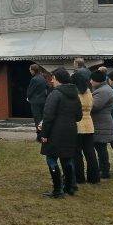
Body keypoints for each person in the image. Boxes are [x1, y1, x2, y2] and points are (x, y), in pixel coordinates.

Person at [39, 68, 82, 198]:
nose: (51, 81)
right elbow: (79, 116)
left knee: (51, 158)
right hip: (70, 130)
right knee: (67, 158)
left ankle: (58, 190)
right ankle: (69, 187)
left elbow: (48, 116)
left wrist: (44, 134)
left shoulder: (55, 94)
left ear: (58, 79)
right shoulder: (75, 94)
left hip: (55, 132)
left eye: (53, 78)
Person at [72, 72, 98, 184]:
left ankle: (79, 177)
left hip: (77, 124)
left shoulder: (75, 94)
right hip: (89, 124)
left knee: (77, 153)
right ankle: (94, 177)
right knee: (90, 152)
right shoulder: (89, 92)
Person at [90, 70, 113, 179]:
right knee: (101, 148)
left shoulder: (102, 91)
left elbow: (94, 106)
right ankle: (103, 169)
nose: (90, 81)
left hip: (101, 123)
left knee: (101, 149)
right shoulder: (103, 89)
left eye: (92, 79)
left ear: (97, 81)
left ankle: (104, 170)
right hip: (101, 122)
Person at [27, 64, 48, 139]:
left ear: (33, 70)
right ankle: (44, 135)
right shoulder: (43, 78)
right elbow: (47, 88)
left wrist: (28, 97)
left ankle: (39, 136)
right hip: (43, 100)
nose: (30, 71)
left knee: (37, 118)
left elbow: (30, 90)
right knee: (42, 118)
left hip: (35, 101)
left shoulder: (34, 79)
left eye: (30, 70)